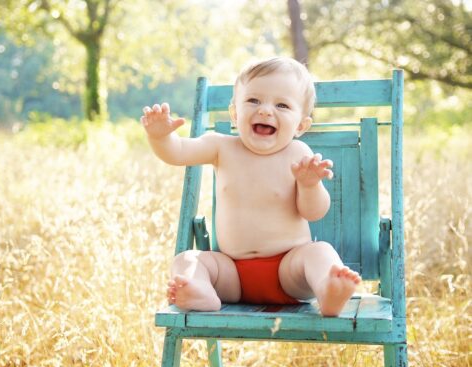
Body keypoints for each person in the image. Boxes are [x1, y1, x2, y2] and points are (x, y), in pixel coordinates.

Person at [141, 57, 361, 316]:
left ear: (301, 125)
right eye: (253, 100)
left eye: (282, 104)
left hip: (288, 271)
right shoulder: (220, 146)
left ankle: (328, 290)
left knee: (320, 251)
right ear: (235, 113)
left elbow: (314, 212)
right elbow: (177, 152)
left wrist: (310, 185)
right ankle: (200, 292)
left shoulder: (298, 154)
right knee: (187, 259)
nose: (266, 110)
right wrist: (160, 137)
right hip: (231, 272)